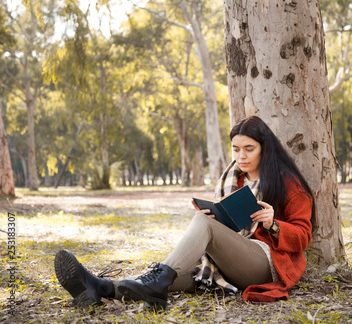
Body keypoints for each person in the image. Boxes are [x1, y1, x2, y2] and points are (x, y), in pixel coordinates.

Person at [54, 116, 314, 310]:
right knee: (171, 278)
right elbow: (228, 226)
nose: (241, 156)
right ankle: (99, 287)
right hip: (225, 262)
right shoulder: (232, 179)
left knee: (201, 225)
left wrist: (274, 224)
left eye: (249, 149)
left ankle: (155, 279)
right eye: (236, 149)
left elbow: (304, 236)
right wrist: (216, 216)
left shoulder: (287, 183)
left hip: (265, 264)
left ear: (264, 148)